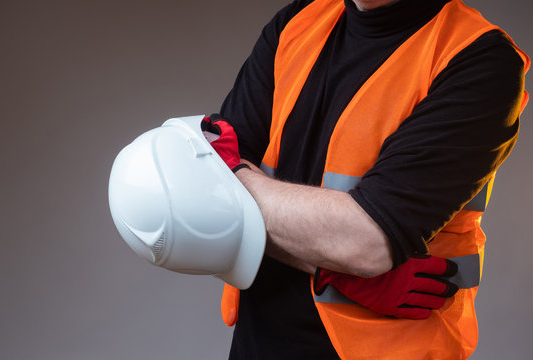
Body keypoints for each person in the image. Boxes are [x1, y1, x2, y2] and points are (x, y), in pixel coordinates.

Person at [206, 0, 529, 358]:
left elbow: (364, 243)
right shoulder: (299, 20)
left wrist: (235, 181)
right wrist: (337, 269)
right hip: (259, 346)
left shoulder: (478, 59)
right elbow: (202, 189)